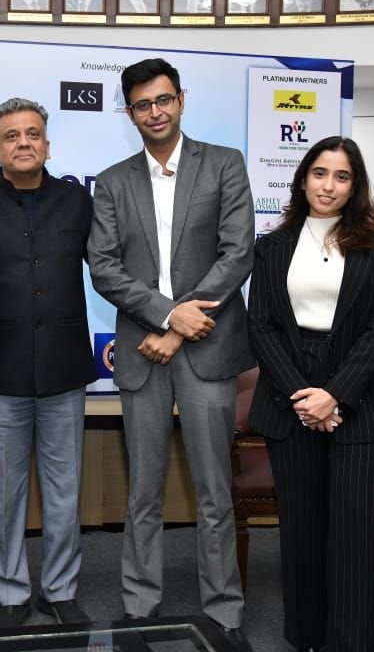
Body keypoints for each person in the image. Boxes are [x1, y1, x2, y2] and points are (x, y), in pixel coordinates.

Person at [88, 58, 255, 651]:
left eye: (163, 100)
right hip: (143, 350)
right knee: (143, 492)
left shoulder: (224, 164)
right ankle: (139, 607)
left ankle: (224, 609)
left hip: (206, 348)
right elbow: (103, 266)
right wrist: (164, 314)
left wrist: (180, 327)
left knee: (214, 492)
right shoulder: (112, 182)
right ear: (129, 112)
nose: (155, 112)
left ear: (180, 100)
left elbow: (238, 253)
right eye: (142, 105)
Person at [247, 136, 374, 652]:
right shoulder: (272, 246)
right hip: (289, 396)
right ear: (302, 179)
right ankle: (306, 637)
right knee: (303, 532)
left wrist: (334, 396)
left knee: (356, 535)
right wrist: (304, 397)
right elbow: (260, 326)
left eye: (341, 176)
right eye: (319, 173)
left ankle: (350, 642)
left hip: (360, 398)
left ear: (355, 186)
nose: (328, 185)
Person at [0, 98, 97, 628]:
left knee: (65, 492)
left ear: (47, 144)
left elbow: (108, 268)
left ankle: (60, 589)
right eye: (12, 135)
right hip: (0, 369)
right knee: (4, 492)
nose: (24, 143)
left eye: (33, 133)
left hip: (65, 367)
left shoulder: (77, 200)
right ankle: (11, 590)